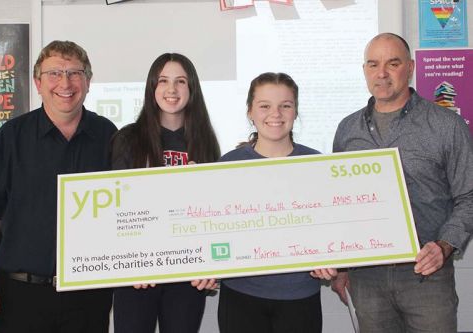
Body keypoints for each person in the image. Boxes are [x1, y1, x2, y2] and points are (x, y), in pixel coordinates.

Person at [326, 33, 473, 332]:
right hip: (366, 279)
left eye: (392, 63)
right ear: (364, 70)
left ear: (410, 67)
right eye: (372, 64)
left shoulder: (447, 125)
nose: (381, 73)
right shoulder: (347, 130)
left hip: (426, 274)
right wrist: (340, 268)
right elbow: (339, 202)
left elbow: (469, 196)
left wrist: (444, 246)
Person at [0, 40, 117, 332]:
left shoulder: (109, 137)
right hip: (20, 297)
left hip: (88, 296)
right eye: (54, 73)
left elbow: (130, 210)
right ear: (38, 83)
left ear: (88, 81)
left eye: (75, 73)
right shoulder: (10, 138)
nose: (65, 82)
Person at [111, 53, 220, 333]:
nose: (172, 89)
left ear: (191, 89)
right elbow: (114, 209)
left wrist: (212, 265)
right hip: (138, 273)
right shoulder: (128, 139)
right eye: (163, 81)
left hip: (187, 274)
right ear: (152, 88)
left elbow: (214, 214)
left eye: (180, 81)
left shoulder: (205, 142)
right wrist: (129, 261)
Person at [217, 72, 326, 333]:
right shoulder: (226, 165)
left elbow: (332, 227)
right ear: (250, 112)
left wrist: (334, 258)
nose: (275, 114)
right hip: (240, 296)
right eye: (265, 106)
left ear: (295, 111)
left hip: (299, 297)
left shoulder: (320, 165)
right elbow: (213, 229)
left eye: (285, 106)